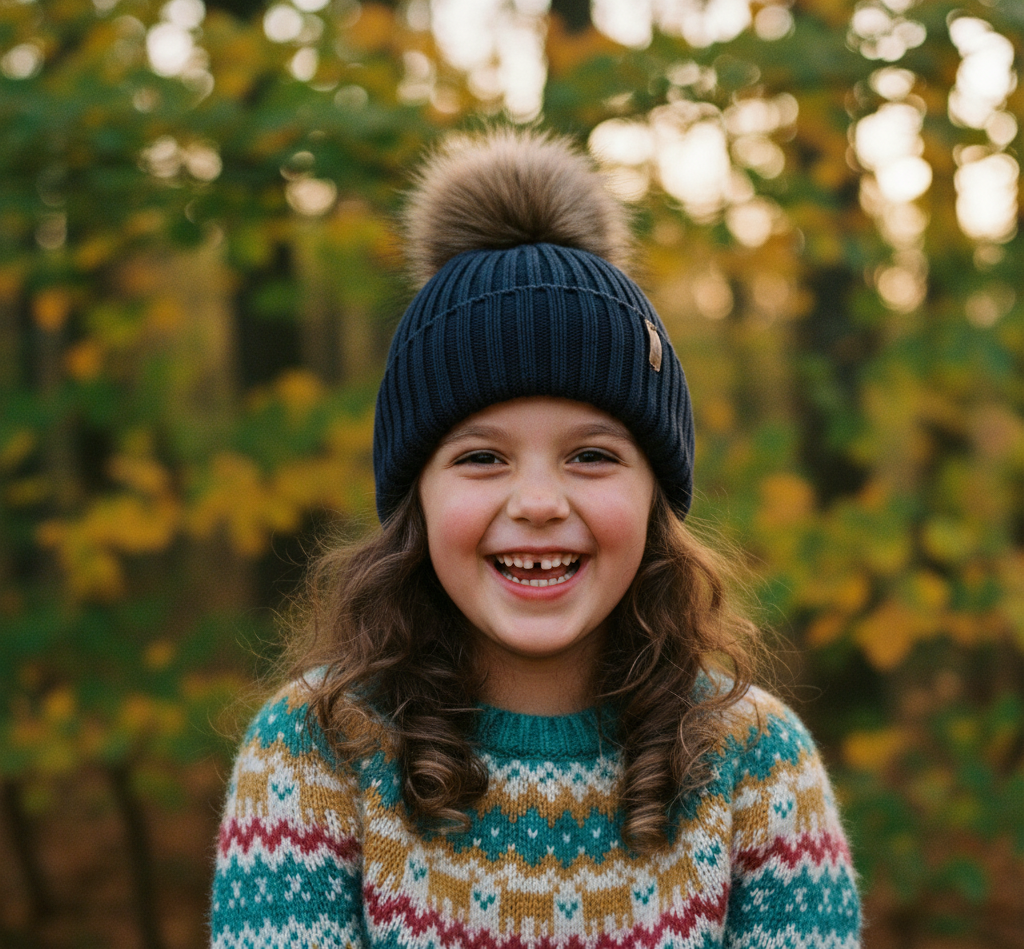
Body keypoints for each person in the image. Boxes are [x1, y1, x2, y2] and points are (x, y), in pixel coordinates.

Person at [209, 130, 862, 948]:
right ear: (416, 496)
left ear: (656, 495)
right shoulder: (316, 754)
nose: (540, 502)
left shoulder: (757, 765)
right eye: (482, 457)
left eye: (592, 456)